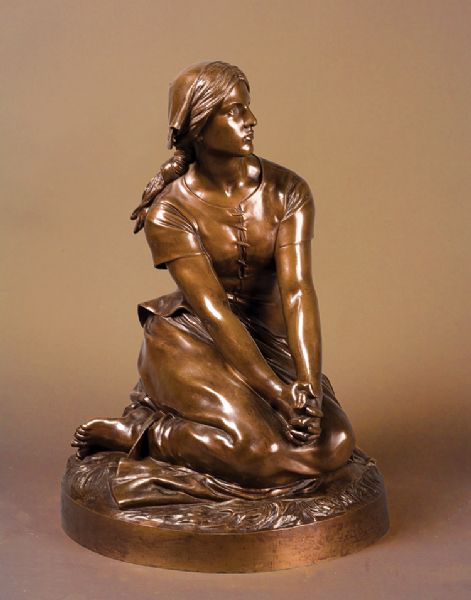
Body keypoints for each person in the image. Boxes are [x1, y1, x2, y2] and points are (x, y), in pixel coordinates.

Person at [72, 61, 355, 504]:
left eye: (248, 107)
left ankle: (258, 425)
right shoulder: (169, 211)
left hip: (267, 338)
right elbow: (215, 312)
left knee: (335, 444)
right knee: (257, 452)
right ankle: (143, 433)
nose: (251, 120)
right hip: (193, 337)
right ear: (200, 127)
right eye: (235, 110)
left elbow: (297, 291)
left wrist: (307, 387)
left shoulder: (288, 191)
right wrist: (277, 395)